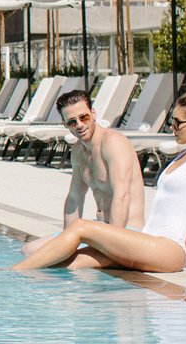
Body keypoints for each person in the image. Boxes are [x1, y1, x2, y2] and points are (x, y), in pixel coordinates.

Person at [12, 89, 186, 276]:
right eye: (172, 122)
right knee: (67, 264)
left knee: (81, 227)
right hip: (149, 241)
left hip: (167, 250)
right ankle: (21, 275)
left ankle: (11, 275)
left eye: (177, 123)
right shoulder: (182, 157)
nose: (172, 128)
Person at [18, 88, 145, 261]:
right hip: (100, 228)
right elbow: (74, 198)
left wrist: (114, 244)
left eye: (83, 117)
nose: (79, 125)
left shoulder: (113, 143)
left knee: (57, 262)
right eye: (72, 122)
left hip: (127, 232)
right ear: (65, 125)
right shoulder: (78, 151)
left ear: (93, 113)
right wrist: (65, 242)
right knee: (30, 251)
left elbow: (121, 196)